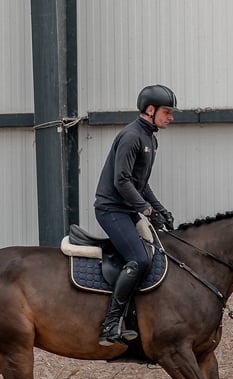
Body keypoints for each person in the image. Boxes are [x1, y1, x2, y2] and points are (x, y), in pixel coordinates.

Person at [93, 84, 177, 346]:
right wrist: (146, 209)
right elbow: (122, 181)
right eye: (166, 112)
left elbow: (141, 183)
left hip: (127, 208)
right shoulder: (131, 136)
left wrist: (159, 208)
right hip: (111, 209)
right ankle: (109, 325)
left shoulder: (150, 138)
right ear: (149, 110)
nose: (171, 117)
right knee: (139, 259)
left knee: (155, 253)